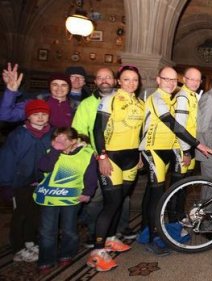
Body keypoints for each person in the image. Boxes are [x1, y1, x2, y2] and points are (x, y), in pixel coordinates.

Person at [140, 66, 212, 256]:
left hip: (169, 149)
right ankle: (153, 237)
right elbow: (175, 126)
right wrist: (197, 146)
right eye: (167, 79)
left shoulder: (171, 98)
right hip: (153, 149)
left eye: (174, 80)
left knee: (156, 193)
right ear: (158, 80)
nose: (171, 83)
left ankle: (147, 231)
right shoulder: (157, 98)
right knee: (157, 196)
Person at [89, 65, 144, 272]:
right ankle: (96, 251)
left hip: (131, 158)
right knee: (111, 204)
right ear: (119, 81)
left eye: (135, 80)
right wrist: (102, 156)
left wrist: (139, 155)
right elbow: (97, 130)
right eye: (127, 79)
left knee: (120, 200)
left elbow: (139, 133)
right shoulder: (109, 99)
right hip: (111, 157)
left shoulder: (140, 103)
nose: (131, 83)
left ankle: (111, 239)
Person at [71, 67, 134, 247]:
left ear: (115, 81)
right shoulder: (86, 104)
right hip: (95, 156)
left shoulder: (125, 100)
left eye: (108, 77)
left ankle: (119, 229)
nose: (104, 80)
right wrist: (99, 155)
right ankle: (95, 234)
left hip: (122, 157)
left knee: (123, 197)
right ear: (95, 82)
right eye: (100, 78)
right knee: (96, 197)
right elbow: (80, 132)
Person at [34, 127, 97, 275]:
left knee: (69, 229)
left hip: (71, 197)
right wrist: (55, 151)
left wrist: (88, 192)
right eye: (57, 139)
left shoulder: (86, 154)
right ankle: (46, 260)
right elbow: (45, 167)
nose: (60, 142)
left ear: (74, 141)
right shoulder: (51, 153)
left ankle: (66, 253)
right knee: (47, 231)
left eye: (64, 139)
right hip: (49, 198)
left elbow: (90, 175)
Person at [0, 100, 52, 262]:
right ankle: (18, 247)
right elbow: (7, 159)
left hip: (41, 182)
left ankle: (31, 242)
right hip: (20, 182)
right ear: (28, 116)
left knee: (36, 214)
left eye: (44, 114)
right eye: (36, 114)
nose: (40, 118)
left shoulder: (51, 134)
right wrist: (6, 184)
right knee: (20, 215)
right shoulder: (18, 135)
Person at [1, 63, 75, 128]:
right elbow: (5, 115)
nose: (59, 88)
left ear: (69, 88)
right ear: (50, 87)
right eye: (55, 84)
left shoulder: (76, 107)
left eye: (64, 85)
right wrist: (11, 91)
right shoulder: (36, 102)